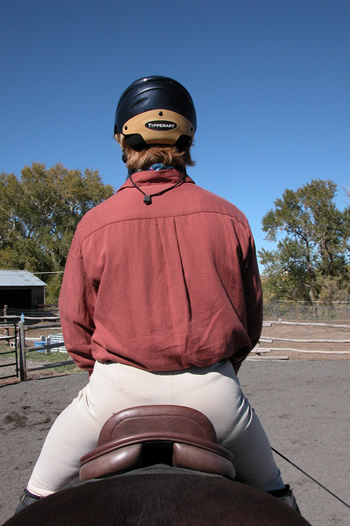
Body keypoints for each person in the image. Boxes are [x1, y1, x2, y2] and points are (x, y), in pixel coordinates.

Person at [17, 76, 299, 513]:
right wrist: (219, 368)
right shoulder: (231, 217)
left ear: (123, 141)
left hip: (113, 392)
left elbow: (74, 328)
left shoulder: (95, 223)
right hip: (214, 394)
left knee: (36, 497)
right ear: (187, 139)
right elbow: (251, 318)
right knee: (278, 500)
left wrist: (108, 374)